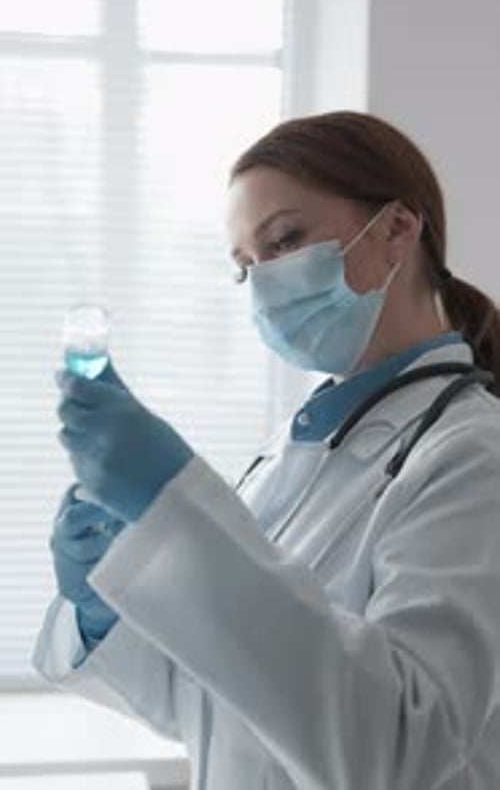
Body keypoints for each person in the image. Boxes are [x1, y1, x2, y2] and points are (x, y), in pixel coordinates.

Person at [34, 111, 500, 790]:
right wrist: (104, 608)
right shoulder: (289, 457)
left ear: (399, 227)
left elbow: (403, 744)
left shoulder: (473, 455)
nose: (263, 283)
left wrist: (175, 506)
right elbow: (224, 702)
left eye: (284, 240)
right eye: (243, 266)